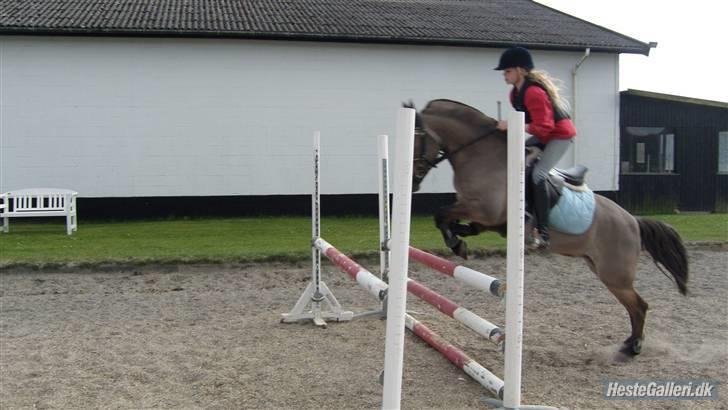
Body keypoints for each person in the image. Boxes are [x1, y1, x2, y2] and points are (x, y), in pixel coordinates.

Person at [494, 46, 577, 248]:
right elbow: (534, 127)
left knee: (538, 174)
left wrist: (512, 125)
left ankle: (544, 229)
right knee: (515, 162)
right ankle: (525, 217)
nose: (504, 76)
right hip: (544, 135)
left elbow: (545, 127)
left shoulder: (534, 92)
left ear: (520, 70)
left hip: (560, 135)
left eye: (507, 71)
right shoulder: (514, 94)